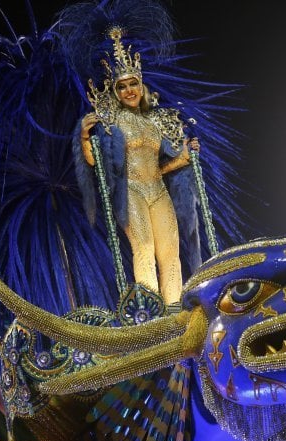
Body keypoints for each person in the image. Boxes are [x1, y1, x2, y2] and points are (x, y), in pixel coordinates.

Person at [76, 29, 200, 304]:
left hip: (158, 190)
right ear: (115, 91)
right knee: (143, 248)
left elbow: (163, 166)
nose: (129, 90)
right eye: (122, 86)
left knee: (170, 252)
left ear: (141, 85)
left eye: (133, 84)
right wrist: (85, 137)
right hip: (131, 192)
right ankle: (151, 314)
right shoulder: (111, 123)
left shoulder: (157, 120)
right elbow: (96, 162)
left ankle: (175, 310)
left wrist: (184, 157)